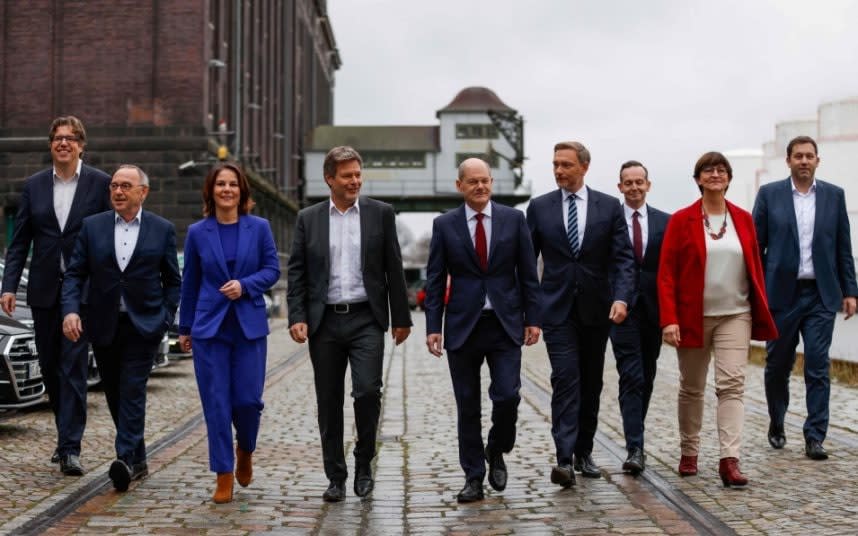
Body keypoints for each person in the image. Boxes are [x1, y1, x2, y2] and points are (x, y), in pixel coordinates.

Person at [286, 146, 412, 502]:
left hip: (365, 318)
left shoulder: (380, 214)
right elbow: (297, 272)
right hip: (324, 322)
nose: (355, 180)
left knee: (368, 391)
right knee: (328, 400)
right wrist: (297, 316)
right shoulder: (308, 218)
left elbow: (394, 267)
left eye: (358, 174)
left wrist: (401, 318)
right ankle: (336, 476)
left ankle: (363, 462)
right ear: (330, 179)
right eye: (347, 175)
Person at [424, 158, 541, 503]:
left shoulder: (513, 219)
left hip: (505, 325)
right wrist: (433, 326)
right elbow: (434, 279)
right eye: (472, 182)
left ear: (492, 182)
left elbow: (528, 273)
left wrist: (533, 318)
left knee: (508, 395)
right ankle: (473, 477)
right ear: (460, 186)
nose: (480, 187)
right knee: (467, 406)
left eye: (485, 181)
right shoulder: (444, 225)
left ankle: (496, 447)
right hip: (462, 326)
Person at [658, 152, 777, 487]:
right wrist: (669, 319)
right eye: (708, 170)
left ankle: (729, 460)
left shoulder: (743, 219)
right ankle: (690, 452)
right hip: (693, 316)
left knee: (732, 384)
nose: (715, 174)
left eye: (721, 170)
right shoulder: (681, 221)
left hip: (735, 315)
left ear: (728, 178)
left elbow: (755, 266)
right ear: (698, 179)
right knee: (692, 387)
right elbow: (666, 275)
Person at [1, 116, 111, 476]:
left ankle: (70, 447)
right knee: (50, 366)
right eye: (57, 138)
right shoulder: (33, 186)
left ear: (82, 145)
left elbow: (108, 238)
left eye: (70, 138)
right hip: (45, 289)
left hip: (81, 291)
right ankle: (64, 433)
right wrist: (8, 286)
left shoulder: (99, 184)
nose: (63, 143)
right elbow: (19, 244)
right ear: (51, 145)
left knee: (74, 367)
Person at [61, 164, 181, 492]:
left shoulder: (162, 229)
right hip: (103, 323)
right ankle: (139, 459)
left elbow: (173, 281)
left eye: (126, 186)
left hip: (144, 326)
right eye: (114, 185)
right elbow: (74, 274)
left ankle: (124, 459)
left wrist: (165, 319)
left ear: (143, 192)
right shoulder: (92, 227)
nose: (117, 191)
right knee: (114, 392)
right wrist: (71, 311)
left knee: (132, 389)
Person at [526, 141, 635, 487]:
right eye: (555, 164)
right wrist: (529, 311)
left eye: (566, 165)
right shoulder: (539, 208)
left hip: (596, 308)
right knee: (565, 378)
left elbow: (623, 259)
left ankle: (583, 451)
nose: (558, 170)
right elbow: (527, 265)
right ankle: (563, 458)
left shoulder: (609, 207)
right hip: (556, 309)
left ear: (584, 167)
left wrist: (621, 298)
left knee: (591, 382)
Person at [178, 163, 280, 503]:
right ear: (211, 191)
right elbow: (190, 282)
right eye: (220, 184)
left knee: (248, 401)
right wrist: (185, 327)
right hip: (210, 329)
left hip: (248, 327)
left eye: (232, 184)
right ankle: (223, 475)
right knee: (217, 404)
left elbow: (272, 270)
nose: (226, 189)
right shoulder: (197, 232)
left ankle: (245, 450)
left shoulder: (260, 228)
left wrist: (246, 285)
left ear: (242, 191)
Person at [752, 136, 858, 460]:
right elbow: (757, 247)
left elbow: (843, 246)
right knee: (777, 365)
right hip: (781, 296)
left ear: (817, 160)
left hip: (820, 295)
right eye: (798, 156)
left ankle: (815, 436)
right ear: (788, 161)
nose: (804, 161)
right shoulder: (769, 195)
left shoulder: (834, 196)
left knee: (817, 364)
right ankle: (777, 421)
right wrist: (754, 291)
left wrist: (851, 291)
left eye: (809, 156)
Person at [609, 160, 670, 474]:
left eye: (639, 182)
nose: (633, 187)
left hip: (654, 310)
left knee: (646, 374)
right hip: (620, 310)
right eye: (627, 183)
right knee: (630, 375)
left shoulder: (665, 222)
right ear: (620, 187)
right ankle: (635, 447)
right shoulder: (609, 219)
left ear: (648, 185)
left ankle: (636, 431)